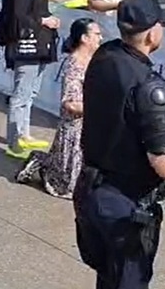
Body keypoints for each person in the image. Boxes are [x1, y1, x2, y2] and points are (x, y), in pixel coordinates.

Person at [74, 0, 165, 289]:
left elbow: (123, 100)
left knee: (107, 279)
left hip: (91, 188)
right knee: (128, 282)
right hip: (125, 204)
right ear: (152, 33)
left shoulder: (104, 54)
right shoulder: (149, 87)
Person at [15, 18, 103, 198]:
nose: (100, 38)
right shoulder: (74, 65)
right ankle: (40, 161)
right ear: (84, 38)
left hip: (92, 124)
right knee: (67, 186)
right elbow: (70, 103)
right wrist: (98, 107)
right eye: (96, 34)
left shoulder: (96, 60)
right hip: (74, 123)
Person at [4, 0, 59, 158]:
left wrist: (49, 20)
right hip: (26, 43)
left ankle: (24, 134)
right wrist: (44, 21)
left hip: (40, 43)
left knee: (31, 91)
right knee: (21, 93)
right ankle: (14, 141)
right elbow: (20, 14)